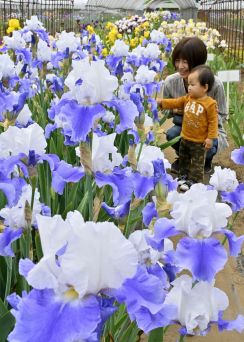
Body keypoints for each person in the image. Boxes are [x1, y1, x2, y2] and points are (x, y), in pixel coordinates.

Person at [162, 37, 227, 174]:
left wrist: (204, 116)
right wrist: (174, 110)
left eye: (185, 61)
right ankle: (184, 159)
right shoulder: (170, 82)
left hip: (208, 131)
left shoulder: (215, 84)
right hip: (184, 127)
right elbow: (165, 111)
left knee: (207, 147)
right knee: (172, 134)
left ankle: (205, 160)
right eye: (178, 60)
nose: (180, 66)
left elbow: (223, 115)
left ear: (198, 62)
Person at [157, 65, 218, 191]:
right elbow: (175, 102)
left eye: (192, 84)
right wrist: (161, 103)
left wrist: (210, 138)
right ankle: (183, 176)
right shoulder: (187, 98)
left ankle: (194, 182)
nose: (189, 87)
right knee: (184, 159)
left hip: (199, 142)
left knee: (197, 164)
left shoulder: (210, 104)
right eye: (188, 84)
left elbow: (213, 122)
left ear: (205, 87)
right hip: (185, 137)